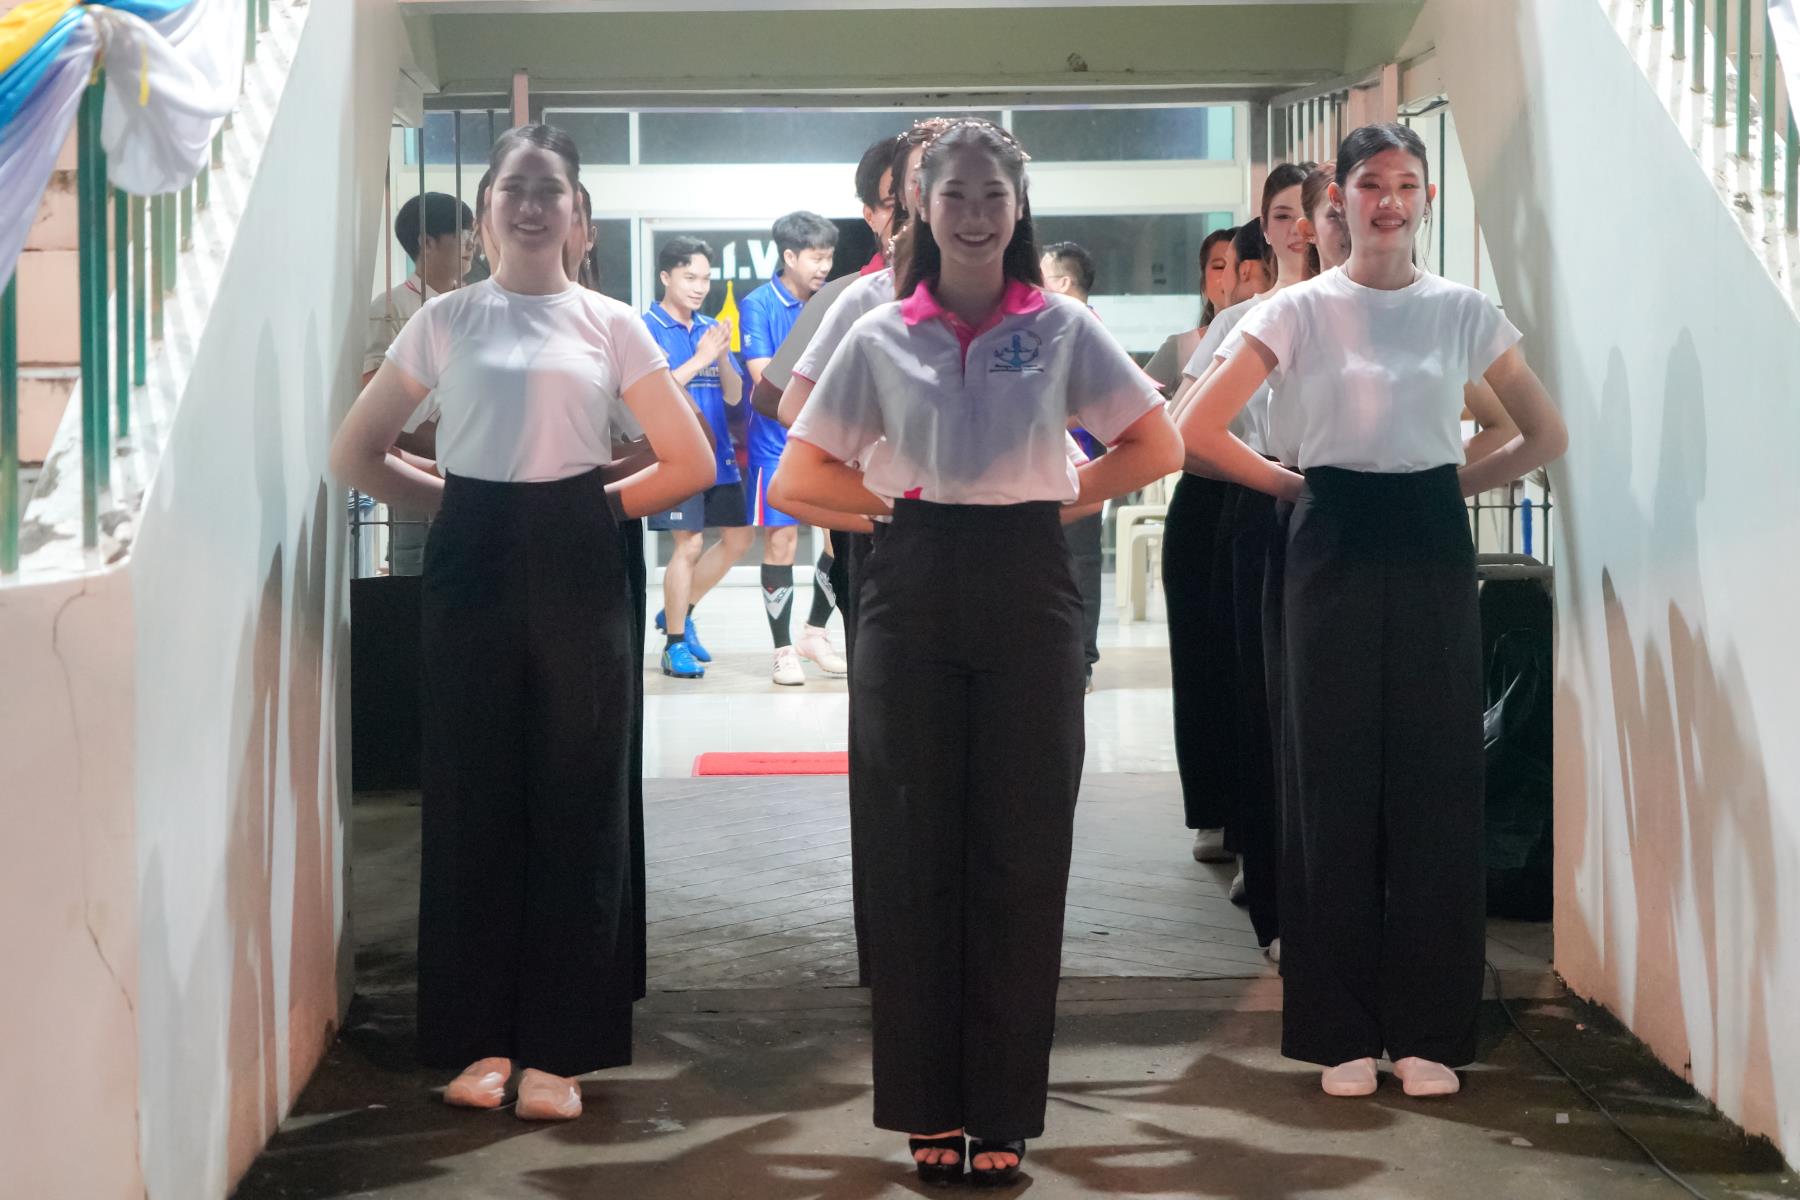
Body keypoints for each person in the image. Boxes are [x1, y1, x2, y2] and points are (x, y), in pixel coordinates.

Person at [774, 118, 1183, 1186]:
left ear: (1017, 209)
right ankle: (925, 1106)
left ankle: (1002, 1108)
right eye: (951, 195)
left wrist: (1056, 497)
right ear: (921, 206)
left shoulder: (1059, 327)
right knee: (912, 849)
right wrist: (891, 508)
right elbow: (796, 477)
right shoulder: (878, 330)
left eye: (991, 197)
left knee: (1021, 847)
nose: (971, 215)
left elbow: (1157, 441)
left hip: (1028, 585)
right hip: (909, 583)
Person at [330, 123, 714, 1121]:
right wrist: (460, 504)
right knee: (470, 795)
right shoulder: (445, 320)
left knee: (579, 797)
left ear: (577, 213)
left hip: (582, 560)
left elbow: (690, 460)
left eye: (551, 191)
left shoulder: (611, 324)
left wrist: (584, 508)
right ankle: (478, 1041)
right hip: (471, 562)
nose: (533, 206)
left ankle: (560, 1050)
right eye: (515, 189)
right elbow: (358, 452)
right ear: (487, 209)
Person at [1180, 122, 1567, 1100]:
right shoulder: (1298, 309)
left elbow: (1544, 432)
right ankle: (1337, 1029)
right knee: (1330, 777)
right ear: (1338, 202)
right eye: (1370, 185)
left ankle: (1430, 1030)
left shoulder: (1462, 310)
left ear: (1425, 199)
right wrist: (1292, 486)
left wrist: (1450, 483)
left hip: (1431, 535)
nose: (1389, 201)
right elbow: (1194, 428)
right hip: (1329, 534)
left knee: (1438, 777)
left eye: (1406, 184)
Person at [1171, 163, 1316, 950]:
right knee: (1253, 693)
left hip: (1341, 512)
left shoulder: (1363, 307)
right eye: (1284, 215)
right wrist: (1275, 479)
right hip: (1258, 502)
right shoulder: (1243, 320)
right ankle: (1263, 859)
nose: (1302, 228)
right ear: (1266, 227)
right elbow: (1184, 429)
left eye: (1310, 212)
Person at [1159, 216, 1272, 867]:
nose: (1233, 276)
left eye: (1240, 263)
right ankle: (1214, 809)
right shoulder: (1200, 339)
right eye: (1219, 266)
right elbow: (1174, 430)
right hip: (1210, 498)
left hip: (1268, 495)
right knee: (1206, 664)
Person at [740, 210, 849, 685]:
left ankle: (814, 634)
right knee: (781, 541)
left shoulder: (832, 302)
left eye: (829, 257)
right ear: (789, 256)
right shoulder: (758, 304)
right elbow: (762, 376)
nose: (824, 266)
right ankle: (783, 650)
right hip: (773, 444)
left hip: (825, 440)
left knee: (837, 540)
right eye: (816, 257)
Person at [642, 236, 750, 679]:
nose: (700, 287)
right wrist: (701, 356)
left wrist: (720, 357)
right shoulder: (646, 328)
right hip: (676, 455)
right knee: (689, 544)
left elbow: (735, 395)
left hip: (718, 454)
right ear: (666, 277)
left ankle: (679, 610)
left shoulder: (710, 327)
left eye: (705, 278)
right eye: (690, 277)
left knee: (739, 540)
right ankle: (673, 645)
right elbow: (654, 393)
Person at [361, 191, 474, 575]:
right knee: (416, 575)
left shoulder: (476, 307)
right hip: (418, 473)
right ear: (427, 242)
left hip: (476, 474)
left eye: (473, 235)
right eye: (462, 235)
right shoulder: (390, 308)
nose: (471, 246)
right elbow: (375, 398)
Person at [1040, 240, 1108, 692]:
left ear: (1063, 283)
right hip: (1051, 464)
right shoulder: (1051, 327)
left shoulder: (1085, 329)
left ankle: (1079, 660)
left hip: (1082, 466)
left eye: (1042, 276)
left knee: (1079, 563)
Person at [1143, 227, 1236, 399]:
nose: (1229, 276)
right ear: (1203, 281)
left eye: (1239, 266)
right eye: (1219, 266)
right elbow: (1136, 403)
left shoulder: (1272, 339)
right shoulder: (1181, 347)